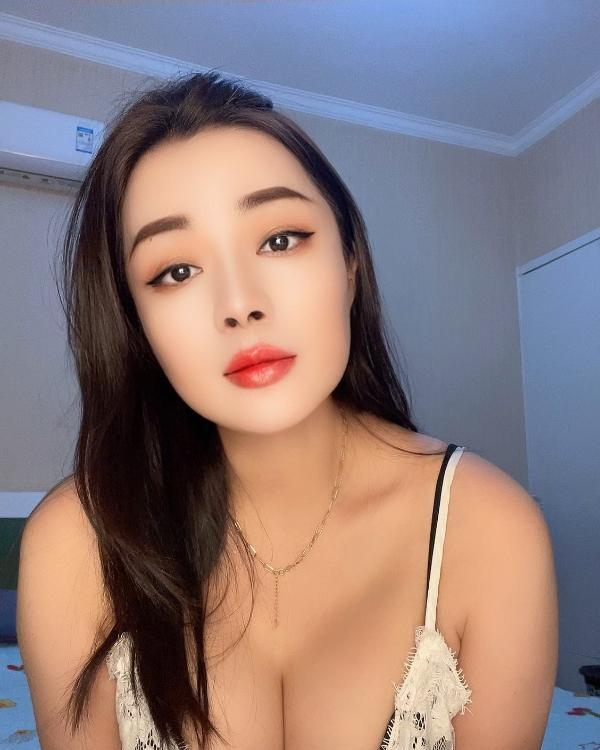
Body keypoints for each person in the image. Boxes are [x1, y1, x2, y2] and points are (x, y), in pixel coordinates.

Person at [17, 71, 558, 750]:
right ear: (136, 323)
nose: (240, 304)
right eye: (176, 271)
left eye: (279, 239)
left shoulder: (491, 531)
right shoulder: (75, 547)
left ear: (350, 262)